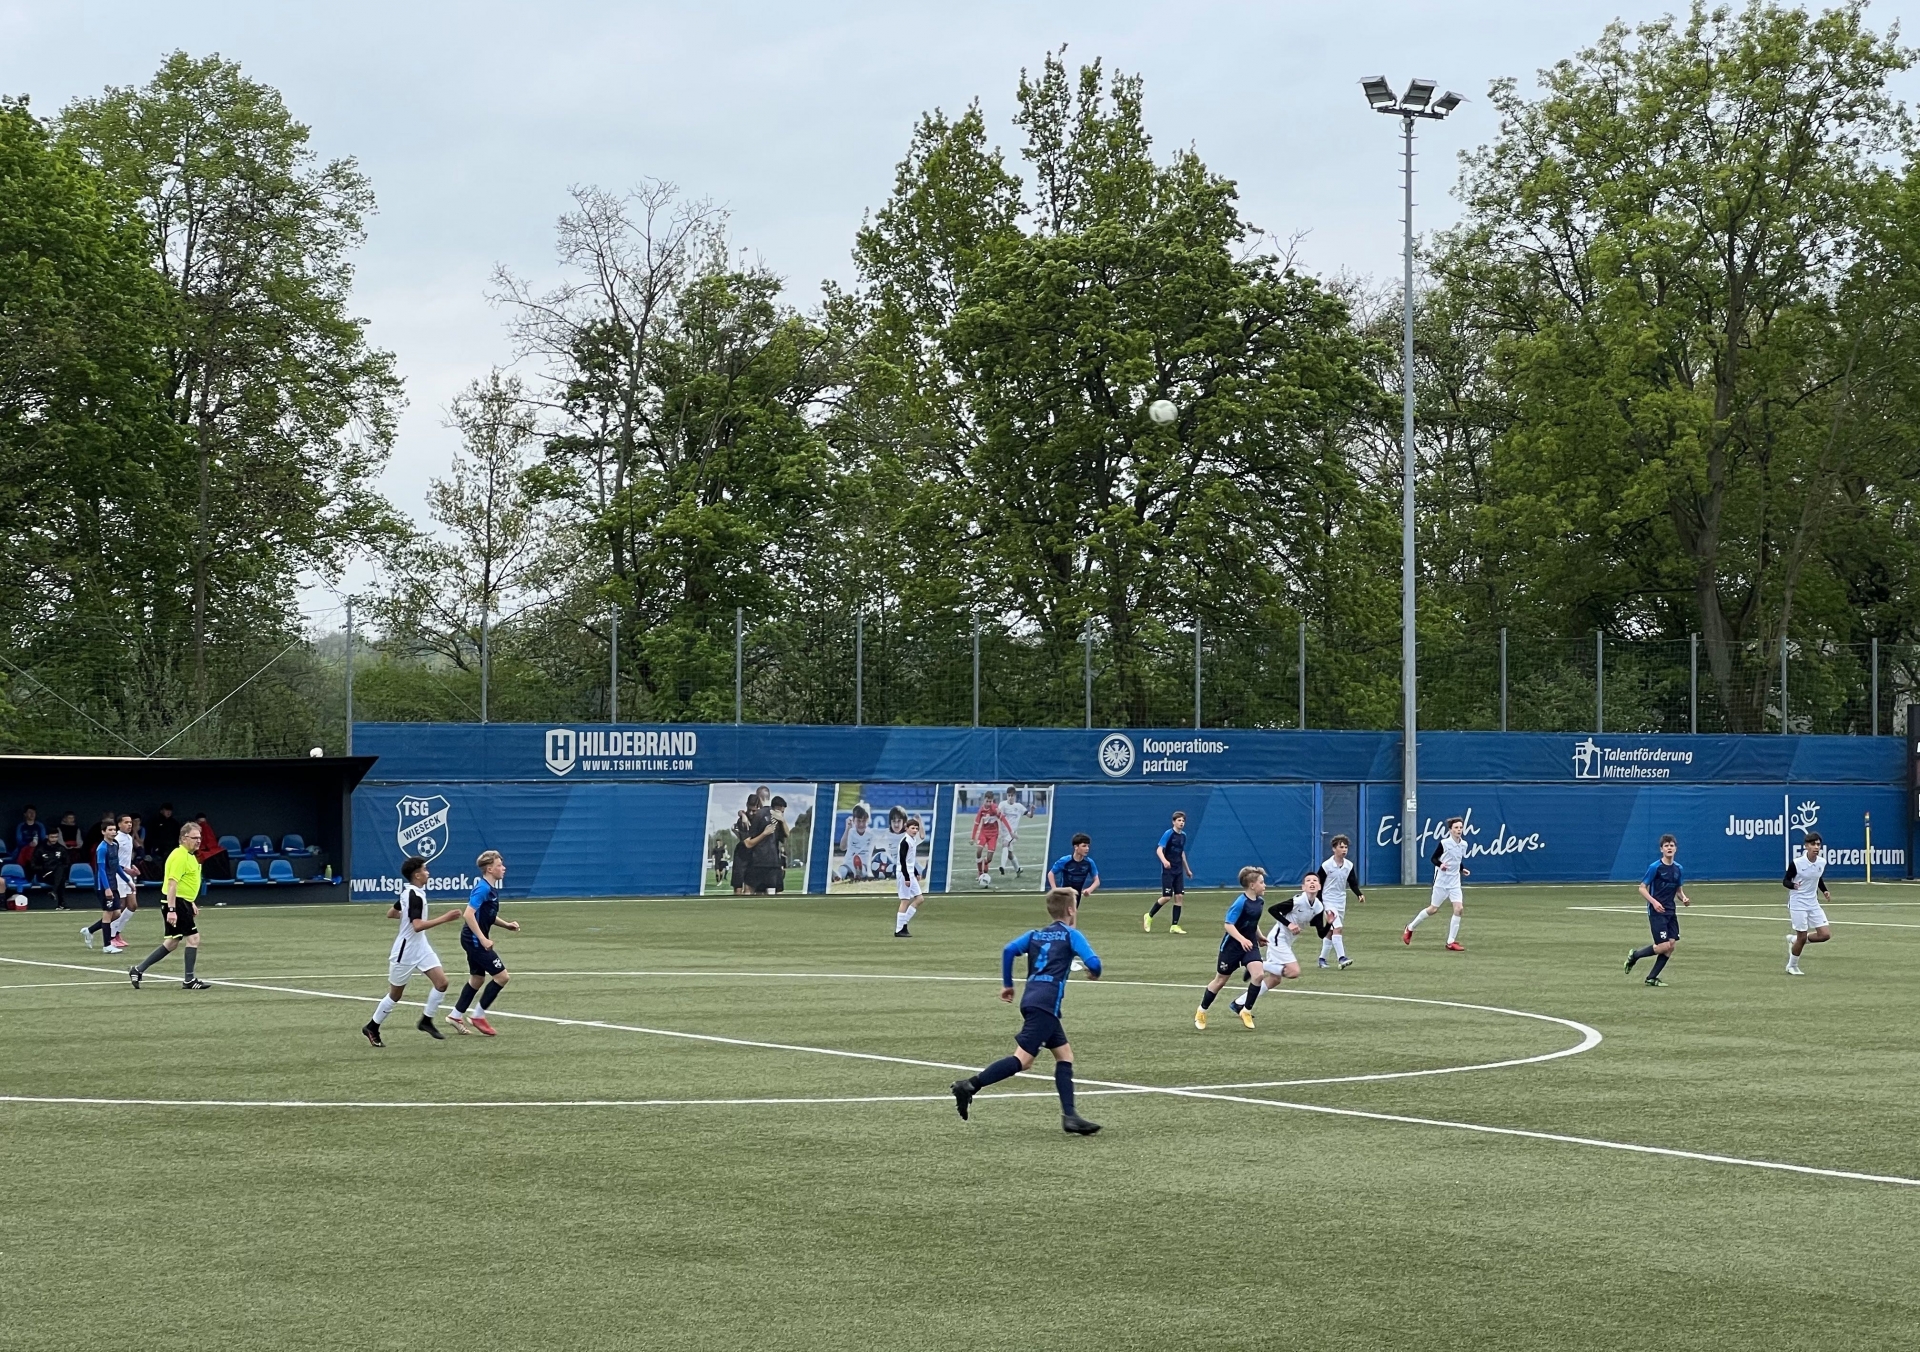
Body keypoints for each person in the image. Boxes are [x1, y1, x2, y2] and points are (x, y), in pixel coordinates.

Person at [949, 887, 1103, 1136]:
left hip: (1032, 999)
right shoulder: (1071, 935)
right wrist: (1093, 972)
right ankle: (969, 1085)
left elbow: (1009, 950)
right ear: (1071, 910)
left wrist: (1008, 985)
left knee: (1064, 1055)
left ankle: (1070, 1116)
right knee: (1023, 1060)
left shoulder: (1035, 935)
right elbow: (1095, 963)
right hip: (1046, 1005)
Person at [361, 856, 464, 1047]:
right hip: (405, 950)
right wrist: (445, 918)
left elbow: (392, 913)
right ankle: (372, 1027)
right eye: (425, 869)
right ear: (417, 875)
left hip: (421, 946)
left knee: (442, 983)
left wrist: (405, 916)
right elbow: (417, 926)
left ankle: (426, 1020)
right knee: (395, 995)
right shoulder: (414, 895)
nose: (428, 873)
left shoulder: (410, 892)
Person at [127, 822, 211, 990]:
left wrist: (191, 902)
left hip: (182, 902)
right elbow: (172, 884)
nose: (198, 841)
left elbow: (186, 883)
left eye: (199, 837)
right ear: (184, 838)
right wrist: (172, 910)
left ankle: (138, 970)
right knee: (193, 938)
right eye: (195, 837)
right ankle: (189, 980)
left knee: (172, 942)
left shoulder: (189, 855)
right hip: (176, 903)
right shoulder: (179, 855)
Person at [448, 850, 519, 1035]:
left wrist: (507, 925)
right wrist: (482, 939)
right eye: (499, 865)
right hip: (473, 939)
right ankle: (478, 1016)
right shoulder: (483, 889)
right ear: (489, 869)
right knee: (502, 977)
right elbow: (468, 914)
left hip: (472, 938)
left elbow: (488, 915)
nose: (503, 868)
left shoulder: (490, 889)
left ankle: (455, 1015)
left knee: (477, 979)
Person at [1230, 872, 1314, 1017]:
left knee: (1275, 979)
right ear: (1303, 886)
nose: (1313, 883)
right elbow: (1273, 910)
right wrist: (1289, 924)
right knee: (1294, 971)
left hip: (1286, 941)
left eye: (1315, 881)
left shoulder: (1318, 905)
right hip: (1278, 939)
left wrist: (1329, 924)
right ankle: (1259, 964)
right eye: (1309, 880)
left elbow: (1321, 930)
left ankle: (1238, 1003)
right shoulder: (1298, 901)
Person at [1197, 866, 1271, 1030]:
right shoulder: (1240, 902)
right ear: (1252, 885)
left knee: (1258, 975)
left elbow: (1252, 922)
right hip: (1232, 947)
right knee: (1220, 981)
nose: (1264, 885)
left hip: (1249, 945)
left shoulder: (1259, 902)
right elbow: (1228, 925)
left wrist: (1259, 936)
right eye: (1261, 882)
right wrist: (1242, 939)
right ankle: (1201, 1011)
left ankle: (1246, 1010)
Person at [1624, 833, 1689, 987]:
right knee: (1663, 946)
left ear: (1676, 848)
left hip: (1670, 911)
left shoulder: (1678, 869)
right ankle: (1635, 955)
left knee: (1671, 946)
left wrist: (1684, 898)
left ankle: (1651, 978)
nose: (1669, 848)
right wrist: (1654, 902)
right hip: (1657, 912)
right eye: (1666, 846)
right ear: (1661, 849)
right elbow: (1642, 888)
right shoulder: (1655, 867)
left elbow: (1679, 891)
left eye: (1671, 845)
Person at [1404, 816, 1470, 951]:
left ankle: (1451, 942)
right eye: (1456, 828)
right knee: (1433, 909)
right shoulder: (1444, 843)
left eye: (1460, 827)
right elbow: (1433, 858)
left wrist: (1462, 869)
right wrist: (1440, 865)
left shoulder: (1464, 844)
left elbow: (1457, 859)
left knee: (1459, 909)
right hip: (1441, 881)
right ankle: (1410, 927)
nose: (1459, 830)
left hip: (1455, 882)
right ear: (1450, 830)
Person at [1784, 831, 1832, 977]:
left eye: (1818, 844)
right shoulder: (1797, 863)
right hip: (1798, 902)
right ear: (1806, 846)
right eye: (1813, 844)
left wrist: (1824, 890)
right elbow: (1785, 881)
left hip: (1813, 902)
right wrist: (1794, 886)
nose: (1816, 847)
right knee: (1802, 937)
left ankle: (1794, 940)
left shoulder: (1821, 862)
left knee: (1825, 935)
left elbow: (1817, 877)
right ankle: (1792, 966)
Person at [1315, 834, 1364, 968]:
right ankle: (1342, 958)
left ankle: (1322, 959)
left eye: (1346, 847)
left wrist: (1359, 894)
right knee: (1338, 928)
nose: (1344, 850)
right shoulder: (1327, 865)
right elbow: (1319, 884)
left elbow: (1352, 882)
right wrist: (1319, 903)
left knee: (1331, 931)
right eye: (1341, 847)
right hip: (1328, 900)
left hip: (1341, 901)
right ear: (1334, 849)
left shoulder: (1349, 865)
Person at [83, 820, 132, 953]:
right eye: (110, 830)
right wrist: (107, 888)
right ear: (103, 832)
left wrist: (127, 881)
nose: (113, 832)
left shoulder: (115, 845)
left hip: (113, 884)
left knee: (116, 913)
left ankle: (89, 930)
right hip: (103, 886)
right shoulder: (102, 848)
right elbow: (101, 870)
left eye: (114, 829)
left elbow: (116, 866)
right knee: (108, 914)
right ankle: (107, 945)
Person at [1143, 811, 1192, 933]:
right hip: (1168, 870)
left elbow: (1181, 853)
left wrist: (1187, 869)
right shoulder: (1169, 834)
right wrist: (1164, 861)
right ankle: (1149, 915)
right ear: (1173, 822)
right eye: (1179, 820)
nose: (1181, 823)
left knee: (1179, 896)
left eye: (1183, 821)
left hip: (1178, 870)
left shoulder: (1183, 836)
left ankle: (1174, 925)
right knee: (1166, 897)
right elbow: (1159, 850)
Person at [108, 812, 140, 950]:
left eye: (130, 822)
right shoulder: (117, 840)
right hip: (118, 876)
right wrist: (127, 870)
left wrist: (132, 867)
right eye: (126, 822)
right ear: (119, 824)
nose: (129, 825)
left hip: (127, 876)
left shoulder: (128, 837)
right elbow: (113, 862)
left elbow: (125, 858)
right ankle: (110, 936)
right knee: (119, 907)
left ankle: (117, 933)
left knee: (132, 905)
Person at [891, 815, 925, 937]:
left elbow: (910, 860)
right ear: (906, 828)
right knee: (905, 900)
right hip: (904, 873)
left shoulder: (912, 840)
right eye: (912, 828)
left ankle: (903, 923)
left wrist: (915, 872)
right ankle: (899, 929)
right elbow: (902, 860)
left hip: (910, 873)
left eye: (916, 828)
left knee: (919, 899)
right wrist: (906, 877)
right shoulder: (905, 841)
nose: (915, 830)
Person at [44, 812, 84, 911]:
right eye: (52, 837)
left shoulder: (61, 849)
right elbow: (34, 865)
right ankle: (61, 903)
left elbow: (67, 863)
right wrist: (47, 868)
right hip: (45, 874)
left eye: (56, 837)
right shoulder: (41, 848)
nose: (54, 839)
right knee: (60, 874)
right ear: (47, 837)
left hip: (57, 874)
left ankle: (59, 900)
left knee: (60, 873)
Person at [1047, 834, 1099, 903]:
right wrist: (1054, 889)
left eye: (1088, 846)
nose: (1087, 848)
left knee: (1072, 910)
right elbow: (1051, 873)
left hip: (1077, 895)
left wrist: (1089, 890)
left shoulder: (1089, 862)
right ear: (1076, 847)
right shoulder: (1065, 860)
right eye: (1084, 846)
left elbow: (1097, 881)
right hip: (1064, 895)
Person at [834, 803, 878, 883]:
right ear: (853, 820)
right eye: (858, 821)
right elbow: (842, 847)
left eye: (864, 821)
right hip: (849, 863)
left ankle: (858, 873)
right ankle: (837, 876)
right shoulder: (850, 832)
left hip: (863, 864)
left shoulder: (871, 835)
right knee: (842, 869)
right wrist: (847, 828)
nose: (861, 824)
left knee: (863, 869)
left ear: (868, 820)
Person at [971, 790, 1005, 887]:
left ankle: (985, 864)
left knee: (989, 858)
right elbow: (976, 823)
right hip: (984, 833)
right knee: (979, 851)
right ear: (984, 800)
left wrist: (1010, 831)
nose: (989, 803)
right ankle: (980, 873)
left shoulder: (995, 809)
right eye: (987, 801)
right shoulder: (981, 810)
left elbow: (1003, 819)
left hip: (993, 835)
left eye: (991, 801)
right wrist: (972, 838)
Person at [996, 789, 1027, 878]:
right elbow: (998, 812)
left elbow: (1029, 815)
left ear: (1015, 796)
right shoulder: (1003, 804)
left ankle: (1002, 866)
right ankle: (1018, 869)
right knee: (1010, 854)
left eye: (1012, 795)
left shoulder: (1019, 806)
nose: (1010, 797)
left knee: (1005, 844)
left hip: (1012, 833)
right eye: (1008, 795)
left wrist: (1032, 811)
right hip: (1004, 832)